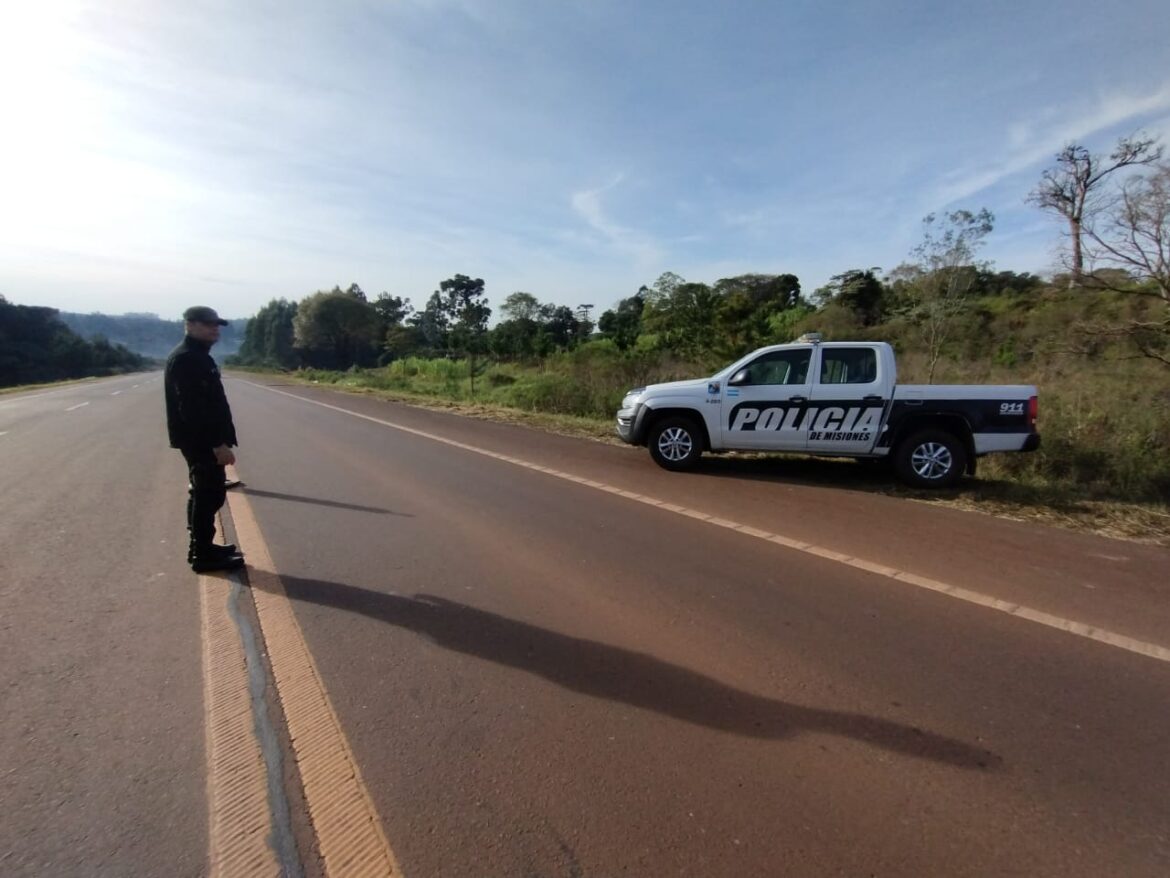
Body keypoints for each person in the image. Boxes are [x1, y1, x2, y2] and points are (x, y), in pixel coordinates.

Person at [165, 306, 245, 573]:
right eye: (208, 324)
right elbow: (193, 410)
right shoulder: (187, 359)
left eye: (217, 325)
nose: (215, 329)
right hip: (200, 441)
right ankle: (202, 553)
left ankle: (204, 547)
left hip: (201, 439)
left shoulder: (198, 356)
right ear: (190, 325)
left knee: (206, 493)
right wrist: (216, 444)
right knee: (207, 494)